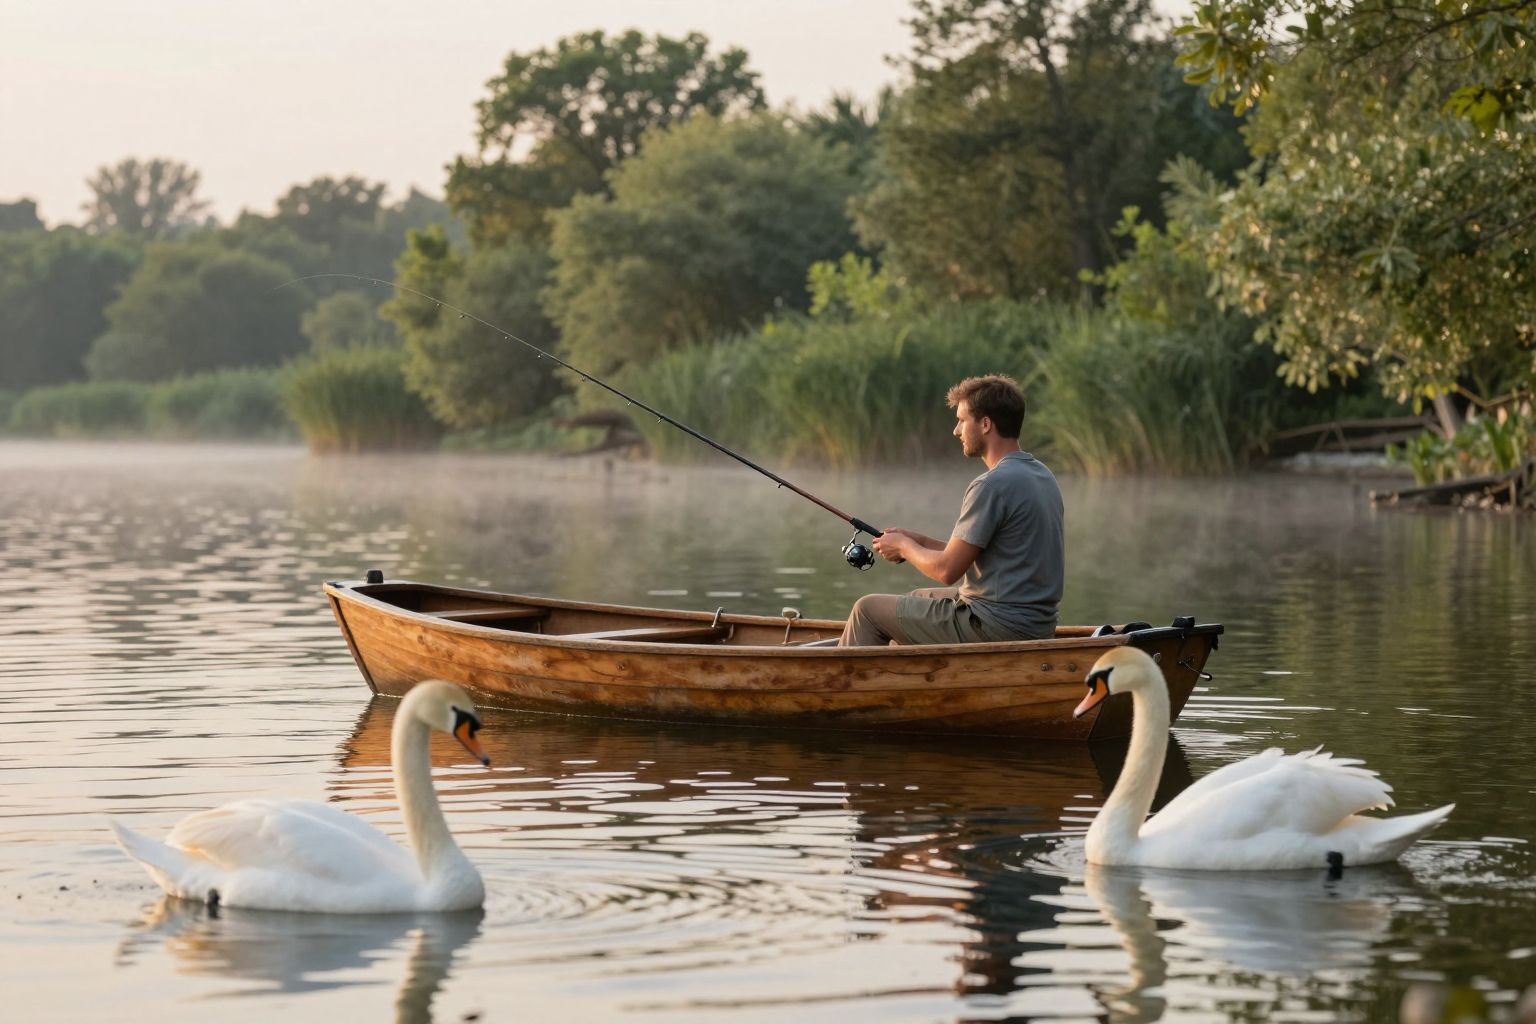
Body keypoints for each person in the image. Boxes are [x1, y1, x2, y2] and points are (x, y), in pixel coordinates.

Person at [839, 374, 1064, 646]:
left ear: (985, 424)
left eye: (962, 420)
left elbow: (947, 571)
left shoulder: (991, 486)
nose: (956, 431)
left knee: (867, 610)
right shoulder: (1042, 475)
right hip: (1036, 624)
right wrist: (918, 541)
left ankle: (840, 674)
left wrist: (903, 547)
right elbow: (981, 556)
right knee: (916, 598)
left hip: (994, 625)